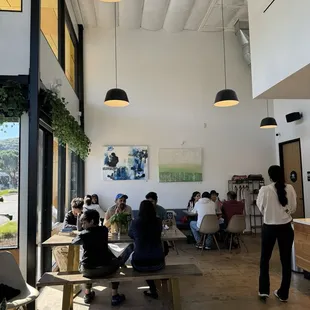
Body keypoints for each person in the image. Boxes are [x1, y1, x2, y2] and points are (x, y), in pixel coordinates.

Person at [73, 209, 133, 306]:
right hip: (106, 269)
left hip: (88, 270)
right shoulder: (104, 230)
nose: (83, 225)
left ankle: (87, 294)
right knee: (117, 263)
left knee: (85, 262)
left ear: (92, 221)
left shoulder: (83, 234)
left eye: (84, 222)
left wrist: (81, 233)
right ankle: (115, 295)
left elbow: (74, 242)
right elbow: (104, 229)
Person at [257, 165, 297, 302]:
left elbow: (261, 207)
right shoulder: (290, 188)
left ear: (270, 176)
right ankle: (283, 293)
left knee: (264, 259)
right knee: (286, 261)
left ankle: (263, 290)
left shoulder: (264, 190)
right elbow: (292, 208)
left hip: (269, 228)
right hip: (286, 228)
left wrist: (270, 214)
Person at [128, 200, 165, 299]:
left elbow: (130, 234)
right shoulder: (158, 221)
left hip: (139, 264)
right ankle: (153, 289)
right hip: (159, 262)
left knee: (131, 250)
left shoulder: (135, 222)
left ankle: (118, 273)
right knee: (151, 254)